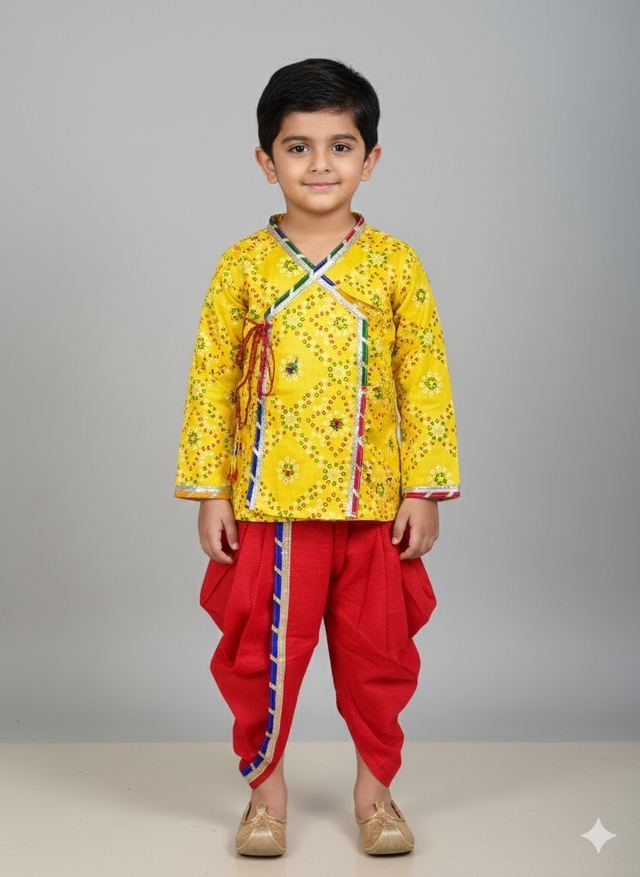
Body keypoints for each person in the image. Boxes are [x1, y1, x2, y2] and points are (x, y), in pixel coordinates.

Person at [175, 58, 460, 857]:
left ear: (371, 159)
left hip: (375, 507)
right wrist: (211, 489)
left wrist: (424, 487)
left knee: (379, 656)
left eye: (342, 145)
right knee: (259, 657)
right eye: (299, 148)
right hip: (270, 509)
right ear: (267, 162)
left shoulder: (396, 264)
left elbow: (425, 377)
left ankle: (376, 796)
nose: (322, 164)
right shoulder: (241, 266)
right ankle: (266, 798)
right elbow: (211, 380)